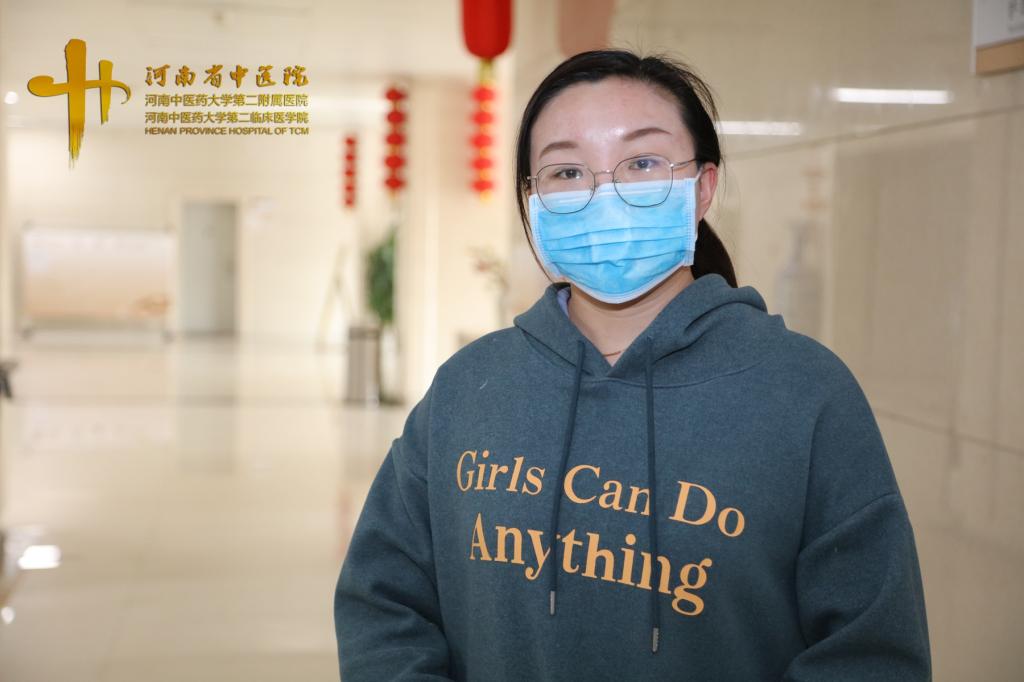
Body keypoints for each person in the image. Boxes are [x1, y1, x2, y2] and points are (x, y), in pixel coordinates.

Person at [334, 49, 931, 681]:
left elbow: (871, 650)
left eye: (642, 162)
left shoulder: (805, 394)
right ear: (533, 200)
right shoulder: (469, 388)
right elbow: (382, 601)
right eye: (567, 171)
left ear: (703, 187)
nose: (604, 194)